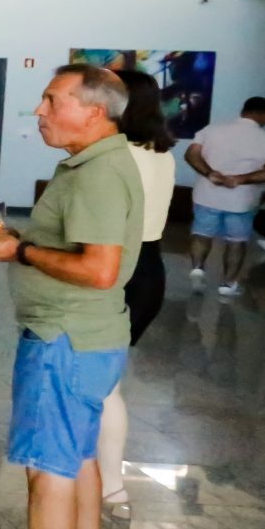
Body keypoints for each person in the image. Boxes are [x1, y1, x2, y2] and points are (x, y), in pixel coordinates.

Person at [0, 64, 142, 529]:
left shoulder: (97, 174)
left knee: (49, 467)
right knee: (80, 454)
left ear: (94, 111)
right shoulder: (97, 163)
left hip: (65, 338)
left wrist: (21, 253)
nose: (39, 112)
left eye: (51, 100)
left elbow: (99, 269)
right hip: (90, 335)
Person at [97, 69, 178, 505]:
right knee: (108, 383)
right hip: (148, 271)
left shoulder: (116, 156)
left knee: (101, 386)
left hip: (118, 268)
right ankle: (107, 484)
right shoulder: (161, 153)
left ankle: (108, 485)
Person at [185, 96, 265, 298]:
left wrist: (210, 173)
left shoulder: (211, 130)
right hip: (241, 201)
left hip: (207, 195)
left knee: (201, 234)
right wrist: (241, 179)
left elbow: (191, 155)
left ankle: (197, 269)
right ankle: (228, 284)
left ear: (243, 110)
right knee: (236, 242)